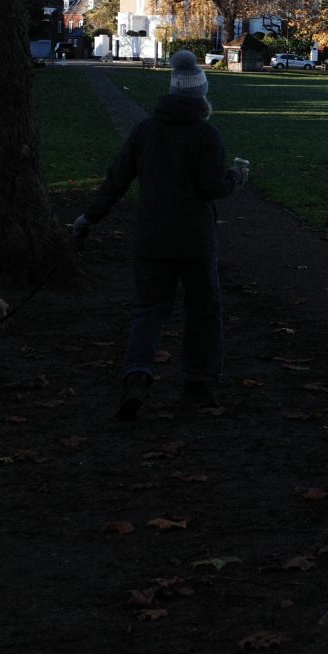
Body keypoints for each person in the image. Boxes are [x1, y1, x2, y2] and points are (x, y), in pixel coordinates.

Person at [73, 50, 248, 420]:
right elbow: (212, 187)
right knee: (203, 311)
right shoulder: (205, 135)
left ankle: (136, 377)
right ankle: (199, 386)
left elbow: (117, 179)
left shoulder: (145, 130)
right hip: (195, 239)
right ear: (201, 95)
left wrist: (89, 217)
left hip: (152, 235)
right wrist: (236, 177)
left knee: (148, 311)